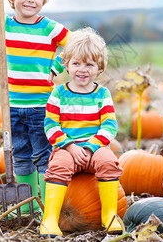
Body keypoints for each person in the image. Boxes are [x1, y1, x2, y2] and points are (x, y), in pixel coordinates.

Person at [0, 0, 69, 212]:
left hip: (42, 106)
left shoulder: (49, 28)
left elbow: (74, 46)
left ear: (44, 1)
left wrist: (55, 68)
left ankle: (47, 205)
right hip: (12, 105)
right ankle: (27, 207)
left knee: (44, 156)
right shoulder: (5, 25)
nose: (31, 0)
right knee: (21, 156)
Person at [40, 27, 123, 237]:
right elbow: (51, 125)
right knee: (59, 165)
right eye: (76, 63)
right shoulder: (59, 93)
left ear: (99, 68)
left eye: (89, 64)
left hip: (94, 147)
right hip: (66, 148)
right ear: (66, 65)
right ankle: (49, 219)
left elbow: (109, 126)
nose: (82, 69)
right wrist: (69, 146)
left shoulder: (102, 94)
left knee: (109, 162)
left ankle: (109, 215)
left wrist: (90, 147)